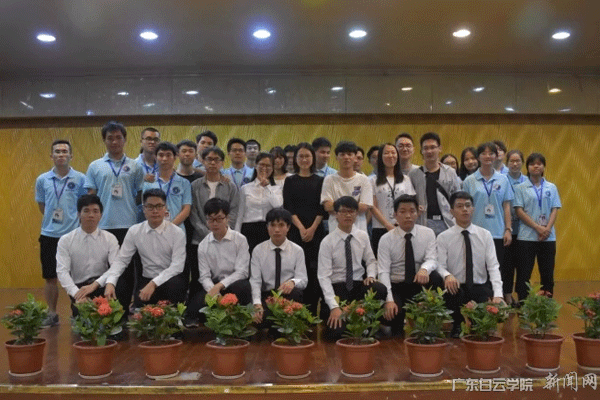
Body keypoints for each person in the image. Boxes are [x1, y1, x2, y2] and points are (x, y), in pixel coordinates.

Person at [85, 121, 145, 314]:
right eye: (110, 138)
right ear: (104, 140)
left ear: (125, 140)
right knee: (104, 270)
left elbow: (140, 194)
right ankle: (104, 311)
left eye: (118, 137)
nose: (114, 141)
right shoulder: (95, 166)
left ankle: (124, 311)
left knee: (126, 271)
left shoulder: (135, 166)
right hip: (103, 226)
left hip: (129, 226)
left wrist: (128, 207)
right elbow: (92, 196)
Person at [436, 191, 504, 338]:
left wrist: (498, 294)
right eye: (460, 206)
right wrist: (447, 275)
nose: (465, 209)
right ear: (452, 211)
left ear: (473, 209)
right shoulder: (443, 237)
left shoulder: (485, 235)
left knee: (482, 328)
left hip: (479, 286)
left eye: (468, 205)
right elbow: (439, 265)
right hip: (456, 287)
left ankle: (477, 323)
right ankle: (457, 325)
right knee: (452, 291)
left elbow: (493, 266)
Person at [318, 196, 387, 340]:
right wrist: (334, 307)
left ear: (356, 214)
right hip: (337, 288)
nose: (348, 215)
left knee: (379, 288)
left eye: (351, 211)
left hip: (357, 285)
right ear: (336, 214)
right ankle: (347, 318)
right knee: (336, 334)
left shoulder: (362, 236)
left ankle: (367, 322)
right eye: (343, 211)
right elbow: (323, 277)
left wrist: (371, 276)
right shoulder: (327, 242)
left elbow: (371, 260)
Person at [35, 139, 87, 326]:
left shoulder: (80, 178)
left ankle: (78, 314)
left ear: (71, 155)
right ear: (51, 156)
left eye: (65, 151)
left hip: (73, 235)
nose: (61, 154)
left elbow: (83, 206)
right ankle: (51, 314)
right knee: (50, 277)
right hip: (49, 235)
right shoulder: (42, 180)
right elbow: (42, 205)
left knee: (77, 277)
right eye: (57, 151)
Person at [104, 189, 187, 306]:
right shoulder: (134, 231)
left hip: (170, 280)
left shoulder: (177, 232)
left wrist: (154, 283)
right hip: (146, 279)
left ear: (165, 208)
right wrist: (110, 282)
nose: (155, 211)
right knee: (124, 289)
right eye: (150, 207)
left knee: (174, 292)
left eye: (159, 206)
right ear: (144, 209)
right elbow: (122, 260)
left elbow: (177, 266)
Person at [186, 147, 239, 325]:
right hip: (199, 239)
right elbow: (193, 213)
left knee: (226, 278)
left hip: (225, 239)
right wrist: (209, 232)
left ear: (222, 163)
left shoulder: (230, 186)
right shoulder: (195, 186)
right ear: (203, 161)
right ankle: (197, 316)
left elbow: (234, 212)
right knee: (198, 279)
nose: (213, 163)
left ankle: (228, 313)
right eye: (209, 159)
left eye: (217, 159)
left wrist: (222, 231)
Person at [56, 195, 128, 317]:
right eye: (86, 211)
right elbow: (62, 271)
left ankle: (121, 321)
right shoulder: (66, 240)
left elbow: (116, 266)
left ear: (101, 215)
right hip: (80, 287)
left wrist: (97, 284)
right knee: (83, 316)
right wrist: (76, 294)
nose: (91, 215)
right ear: (78, 214)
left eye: (95, 211)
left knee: (121, 284)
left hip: (102, 283)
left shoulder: (110, 238)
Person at [378, 195, 438, 336]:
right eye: (402, 211)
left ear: (418, 213)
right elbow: (383, 271)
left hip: (418, 282)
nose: (408, 216)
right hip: (396, 285)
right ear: (395, 215)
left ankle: (428, 316)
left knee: (435, 277)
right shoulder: (386, 239)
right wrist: (389, 300)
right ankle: (388, 321)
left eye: (412, 211)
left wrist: (424, 269)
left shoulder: (428, 233)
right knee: (394, 323)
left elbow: (432, 259)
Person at [461, 142, 513, 302]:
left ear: (496, 156)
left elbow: (506, 206)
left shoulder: (503, 179)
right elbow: (465, 207)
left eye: (491, 153)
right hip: (475, 232)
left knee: (496, 268)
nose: (488, 156)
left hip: (497, 232)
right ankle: (481, 302)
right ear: (478, 157)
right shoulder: (469, 180)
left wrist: (508, 229)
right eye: (484, 153)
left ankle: (495, 302)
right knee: (478, 269)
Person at [186, 198, 252, 322]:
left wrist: (220, 286)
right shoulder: (203, 245)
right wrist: (215, 292)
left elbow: (242, 272)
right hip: (213, 284)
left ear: (227, 218)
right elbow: (204, 276)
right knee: (194, 309)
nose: (215, 223)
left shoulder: (240, 240)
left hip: (234, 283)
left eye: (219, 219)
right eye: (210, 219)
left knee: (244, 287)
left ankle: (242, 321)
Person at [282, 142, 327, 315]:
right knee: (297, 270)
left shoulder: (321, 180)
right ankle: (296, 313)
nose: (304, 159)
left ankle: (312, 313)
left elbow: (322, 208)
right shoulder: (290, 180)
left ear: (313, 158)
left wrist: (312, 228)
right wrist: (301, 228)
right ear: (295, 159)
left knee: (314, 271)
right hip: (295, 231)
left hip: (316, 232)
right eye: (300, 156)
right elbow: (289, 207)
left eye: (307, 156)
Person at [514, 153, 561, 301]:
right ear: (527, 167)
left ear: (544, 167)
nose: (536, 166)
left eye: (539, 164)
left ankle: (547, 303)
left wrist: (547, 229)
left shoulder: (551, 187)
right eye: (532, 163)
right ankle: (523, 302)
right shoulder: (520, 188)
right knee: (524, 273)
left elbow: (555, 209)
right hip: (526, 237)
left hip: (548, 237)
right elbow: (519, 210)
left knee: (547, 273)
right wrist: (537, 227)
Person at [251, 208, 307, 327]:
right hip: (267, 295)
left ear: (288, 227)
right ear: (267, 227)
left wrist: (293, 282)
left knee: (296, 293)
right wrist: (256, 303)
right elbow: (255, 281)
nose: (276, 230)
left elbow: (303, 279)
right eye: (272, 225)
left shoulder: (297, 250)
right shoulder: (258, 250)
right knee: (260, 320)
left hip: (286, 295)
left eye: (281, 225)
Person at [408, 132, 460, 236]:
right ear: (421, 151)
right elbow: (410, 199)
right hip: (423, 222)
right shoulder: (414, 174)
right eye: (425, 148)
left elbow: (457, 197)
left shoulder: (450, 172)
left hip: (447, 222)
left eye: (432, 147)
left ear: (440, 148)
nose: (429, 151)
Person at [370, 143, 415, 255]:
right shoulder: (372, 181)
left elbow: (410, 203)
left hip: (402, 226)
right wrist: (387, 225)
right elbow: (373, 206)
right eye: (386, 153)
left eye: (393, 153)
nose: (390, 155)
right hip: (380, 227)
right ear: (380, 157)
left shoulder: (405, 179)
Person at [236, 152, 283, 254]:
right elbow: (240, 214)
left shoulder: (277, 189)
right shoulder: (245, 188)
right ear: (256, 166)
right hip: (248, 229)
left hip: (268, 229)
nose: (264, 168)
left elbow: (277, 205)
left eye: (268, 166)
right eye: (261, 164)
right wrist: (237, 235)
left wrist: (267, 187)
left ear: (273, 168)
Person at [321, 141, 373, 233]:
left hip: (358, 231)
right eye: (342, 154)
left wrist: (338, 207)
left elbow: (364, 207)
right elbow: (328, 206)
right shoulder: (329, 179)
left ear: (355, 157)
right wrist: (354, 206)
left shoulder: (364, 179)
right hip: (335, 231)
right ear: (336, 157)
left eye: (349, 154)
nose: (346, 157)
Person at [142, 141, 191, 232]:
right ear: (155, 157)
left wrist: (170, 226)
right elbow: (146, 208)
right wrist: (160, 227)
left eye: (168, 155)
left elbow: (186, 209)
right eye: (161, 155)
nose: (164, 159)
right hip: (154, 230)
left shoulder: (184, 183)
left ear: (175, 157)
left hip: (177, 230)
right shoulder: (149, 183)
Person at [503, 149, 527, 306]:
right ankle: (507, 295)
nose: (515, 164)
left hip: (525, 231)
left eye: (518, 161)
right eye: (511, 161)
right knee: (507, 265)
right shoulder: (502, 180)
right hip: (507, 230)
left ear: (522, 163)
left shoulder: (528, 181)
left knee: (523, 266)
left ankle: (522, 295)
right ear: (507, 163)